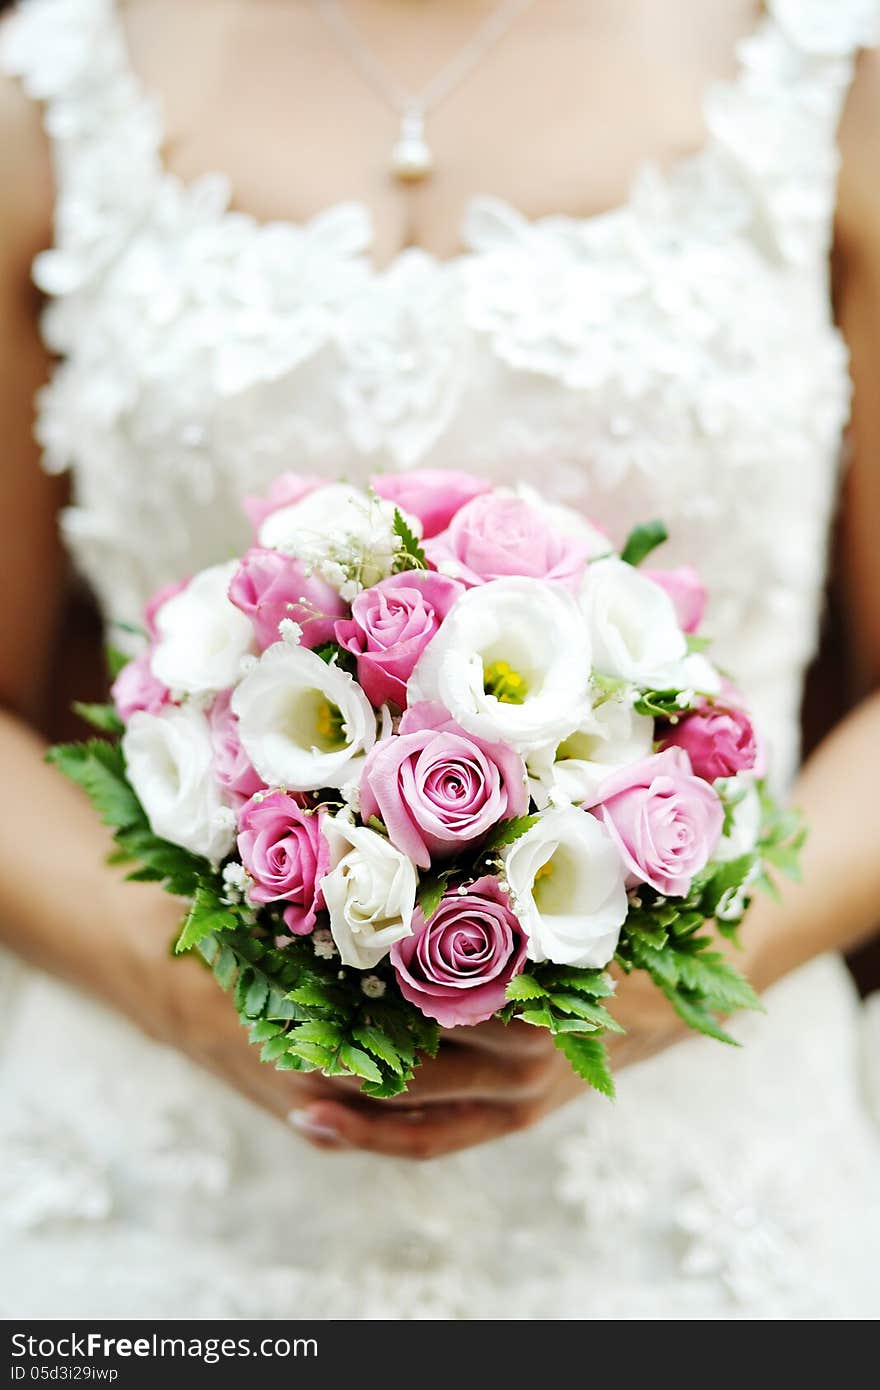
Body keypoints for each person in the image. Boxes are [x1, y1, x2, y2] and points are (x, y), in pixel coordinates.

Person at [0, 0, 878, 1320]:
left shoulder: (836, 66)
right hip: (160, 1201)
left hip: (685, 1206)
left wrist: (672, 977)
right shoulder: (56, 83)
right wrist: (177, 979)